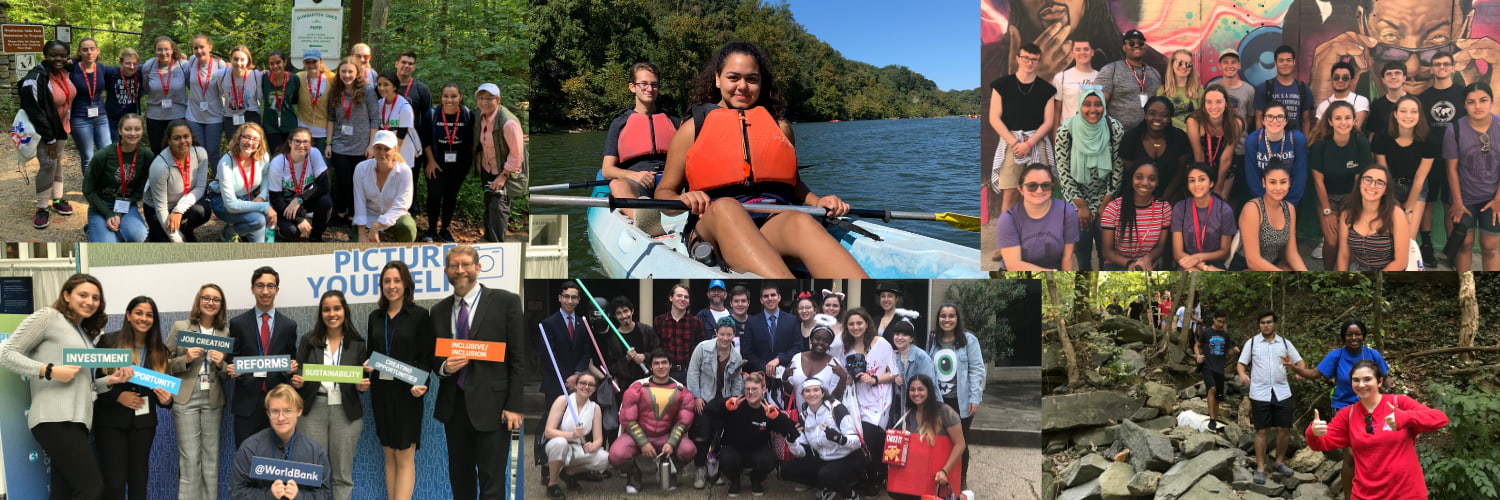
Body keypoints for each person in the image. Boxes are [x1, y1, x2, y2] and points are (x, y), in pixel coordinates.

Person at [655, 42, 864, 278]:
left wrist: (818, 201)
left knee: (801, 220)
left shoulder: (780, 127)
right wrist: (684, 197)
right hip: (713, 227)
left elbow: (793, 184)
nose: (742, 86)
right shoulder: (692, 130)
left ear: (761, 82)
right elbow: (664, 195)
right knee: (726, 206)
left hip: (770, 223)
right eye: (733, 77)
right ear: (717, 79)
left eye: (752, 79)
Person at [0, 274, 132, 499]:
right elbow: (6, 352)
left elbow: (82, 384)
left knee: (63, 491)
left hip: (78, 422)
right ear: (66, 295)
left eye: (95, 297)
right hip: (55, 419)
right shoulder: (49, 317)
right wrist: (49, 370)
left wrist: (110, 381)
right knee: (91, 488)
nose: (90, 301)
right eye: (83, 295)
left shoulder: (83, 333)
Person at [432, 245, 524, 500]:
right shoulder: (438, 311)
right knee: (460, 480)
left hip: (493, 407)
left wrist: (515, 405)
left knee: (492, 482)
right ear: (446, 271)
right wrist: (443, 367)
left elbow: (518, 357)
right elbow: (434, 355)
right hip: (454, 408)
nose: (460, 270)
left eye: (466, 264)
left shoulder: (506, 302)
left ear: (478, 268)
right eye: (454, 266)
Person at [1306, 359, 1449, 500]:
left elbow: (1440, 419)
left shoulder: (1399, 403)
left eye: (1367, 379)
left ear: (1379, 381)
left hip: (1407, 493)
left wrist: (1406, 418)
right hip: (1365, 494)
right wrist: (1313, 432)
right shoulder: (1347, 415)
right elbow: (1319, 444)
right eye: (1356, 380)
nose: (1361, 385)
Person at [93, 296, 176, 500]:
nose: (144, 318)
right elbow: (95, 383)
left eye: (149, 315)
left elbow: (164, 395)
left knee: (139, 481)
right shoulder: (108, 341)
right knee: (114, 484)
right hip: (111, 422)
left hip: (144, 424)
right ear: (128, 316)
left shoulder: (160, 351)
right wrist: (118, 396)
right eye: (139, 313)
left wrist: (167, 401)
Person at [289, 290, 369, 500]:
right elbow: (298, 372)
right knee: (312, 472)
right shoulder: (309, 340)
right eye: (326, 309)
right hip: (313, 409)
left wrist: (362, 386)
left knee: (342, 474)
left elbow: (360, 378)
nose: (332, 314)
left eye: (336, 308)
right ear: (321, 313)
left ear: (345, 311)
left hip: (346, 412)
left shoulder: (358, 343)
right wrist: (297, 380)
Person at [367, 260, 432, 500]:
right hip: (381, 391)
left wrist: (422, 383)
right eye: (387, 281)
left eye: (396, 280)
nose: (391, 286)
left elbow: (427, 358)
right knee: (389, 453)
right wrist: (366, 367)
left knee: (405, 455)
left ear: (406, 284)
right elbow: (370, 355)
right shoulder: (375, 316)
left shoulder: (420, 315)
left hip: (408, 393)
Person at [1307, 320, 1392, 496]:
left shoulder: (1372, 354)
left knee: (1374, 454)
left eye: (1358, 334)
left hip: (1371, 408)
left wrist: (1389, 390)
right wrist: (1296, 369)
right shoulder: (1336, 356)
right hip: (1344, 408)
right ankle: (1349, 495)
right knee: (1351, 457)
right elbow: (1315, 373)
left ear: (1363, 335)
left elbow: (1385, 378)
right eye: (1349, 334)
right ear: (1343, 337)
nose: (1354, 337)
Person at [166, 284, 231, 500]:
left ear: (221, 305)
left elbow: (227, 373)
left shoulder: (224, 331)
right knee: (190, 459)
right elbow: (163, 364)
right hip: (185, 397)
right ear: (199, 300)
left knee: (211, 460)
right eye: (206, 298)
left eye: (216, 300)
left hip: (212, 398)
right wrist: (185, 359)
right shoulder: (181, 327)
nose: (211, 303)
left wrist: (222, 363)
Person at [1235, 311, 1315, 485]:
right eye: (1262, 322)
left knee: (1284, 428)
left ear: (1274, 324)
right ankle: (1261, 468)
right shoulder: (1253, 342)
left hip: (1282, 391)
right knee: (1261, 430)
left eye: (1269, 322)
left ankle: (1279, 462)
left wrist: (1298, 371)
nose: (1266, 325)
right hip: (1259, 392)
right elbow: (1241, 363)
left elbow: (1300, 362)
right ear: (1259, 325)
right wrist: (1242, 374)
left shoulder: (1284, 343)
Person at [227, 266, 300, 446]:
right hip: (247, 403)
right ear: (252, 289)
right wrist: (232, 367)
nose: (265, 291)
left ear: (277, 290)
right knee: (246, 456)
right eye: (260, 286)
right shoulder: (238, 323)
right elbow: (231, 358)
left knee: (277, 457)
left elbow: (292, 358)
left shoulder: (289, 325)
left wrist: (292, 368)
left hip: (278, 404)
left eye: (270, 286)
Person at [609, 349, 696, 494]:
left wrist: (672, 442)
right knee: (616, 455)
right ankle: (634, 475)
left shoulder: (682, 391)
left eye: (664, 363)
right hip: (637, 436)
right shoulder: (637, 388)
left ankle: (668, 471)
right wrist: (642, 442)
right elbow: (628, 419)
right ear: (650, 367)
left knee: (689, 450)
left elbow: (684, 421)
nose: (660, 366)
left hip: (665, 437)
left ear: (670, 365)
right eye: (656, 363)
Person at [1056, 89, 1125, 270]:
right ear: (1079, 106)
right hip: (1076, 200)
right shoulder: (1066, 130)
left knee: (1107, 255)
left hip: (1107, 198)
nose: (1093, 109)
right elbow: (1063, 172)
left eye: (1098, 104)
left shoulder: (1114, 128)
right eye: (1087, 104)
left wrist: (1105, 204)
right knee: (1083, 254)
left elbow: (1117, 169)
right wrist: (1080, 205)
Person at [603, 62, 680, 220]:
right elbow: (607, 170)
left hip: (670, 183)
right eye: (644, 84)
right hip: (637, 184)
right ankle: (643, 220)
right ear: (632, 87)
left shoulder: (673, 121)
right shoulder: (619, 123)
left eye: (654, 84)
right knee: (617, 185)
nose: (650, 89)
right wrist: (634, 175)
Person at [228, 384, 334, 500]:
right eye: (275, 411)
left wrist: (299, 497)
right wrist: (268, 496)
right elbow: (235, 493)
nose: (281, 418)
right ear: (268, 413)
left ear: (298, 411)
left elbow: (325, 495)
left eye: (287, 411)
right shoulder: (250, 448)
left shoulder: (316, 452)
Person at [705, 371, 798, 496]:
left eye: (754, 389)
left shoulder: (768, 409)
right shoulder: (735, 403)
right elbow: (708, 410)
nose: (750, 392)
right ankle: (734, 480)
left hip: (758, 450)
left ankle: (756, 479)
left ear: (763, 389)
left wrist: (777, 417)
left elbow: (791, 429)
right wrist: (724, 406)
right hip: (733, 448)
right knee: (726, 458)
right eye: (747, 389)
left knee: (769, 459)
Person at [834, 307, 896, 493]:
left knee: (870, 438)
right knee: (856, 440)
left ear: (867, 323)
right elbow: (842, 373)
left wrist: (874, 379)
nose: (855, 327)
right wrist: (848, 378)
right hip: (855, 400)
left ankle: (876, 479)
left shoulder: (881, 343)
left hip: (878, 401)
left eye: (859, 323)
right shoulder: (845, 348)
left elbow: (893, 372)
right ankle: (863, 476)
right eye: (851, 324)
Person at [991, 42, 1058, 211]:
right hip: (1011, 142)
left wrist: (1029, 144)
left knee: (1040, 191)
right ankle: (1007, 235)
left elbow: (1048, 122)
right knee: (1010, 193)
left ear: (1038, 62)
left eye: (1034, 60)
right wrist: (1015, 143)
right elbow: (994, 118)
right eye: (1026, 58)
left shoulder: (1047, 89)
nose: (1029, 63)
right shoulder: (1001, 85)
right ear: (1018, 59)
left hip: (1037, 141)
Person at [1309, 101, 1375, 267]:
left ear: (1354, 121)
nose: (1343, 122)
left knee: (1347, 239)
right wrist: (1327, 211)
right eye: (1338, 118)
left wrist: (1353, 207)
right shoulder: (1320, 144)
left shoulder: (1361, 143)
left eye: (1347, 118)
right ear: (1330, 121)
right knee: (1331, 241)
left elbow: (1360, 180)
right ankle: (1328, 275)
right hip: (1327, 196)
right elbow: (1318, 181)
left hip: (1351, 195)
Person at [20, 40, 78, 230]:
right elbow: (35, 112)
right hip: (44, 131)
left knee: (57, 161)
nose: (58, 59)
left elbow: (78, 61)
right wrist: (50, 138)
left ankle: (57, 199)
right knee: (47, 164)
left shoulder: (64, 70)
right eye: (53, 55)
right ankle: (42, 207)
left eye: (62, 55)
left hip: (62, 127)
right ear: (45, 55)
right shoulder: (35, 78)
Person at [926, 304, 984, 490]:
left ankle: (961, 478)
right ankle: (941, 475)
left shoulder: (969, 340)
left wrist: (975, 397)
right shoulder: (933, 339)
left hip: (961, 400)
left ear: (957, 319)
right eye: (943, 316)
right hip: (938, 401)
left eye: (951, 316)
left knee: (960, 442)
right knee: (939, 440)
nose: (947, 320)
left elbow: (977, 369)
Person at [1443, 83, 1500, 271]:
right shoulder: (1454, 130)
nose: (1478, 106)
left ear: (1491, 101)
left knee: (1490, 248)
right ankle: (1464, 292)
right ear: (1464, 105)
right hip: (1464, 199)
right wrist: (1457, 203)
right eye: (1471, 102)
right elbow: (1451, 169)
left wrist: (1498, 199)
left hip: (1493, 198)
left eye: (1483, 100)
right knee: (1464, 245)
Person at [887, 375, 968, 500]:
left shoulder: (945, 412)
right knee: (896, 491)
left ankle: (963, 497)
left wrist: (945, 471)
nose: (916, 393)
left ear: (929, 391)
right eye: (912, 389)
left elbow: (960, 444)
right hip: (919, 471)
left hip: (940, 471)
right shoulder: (910, 413)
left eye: (921, 389)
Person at [687, 318, 746, 489]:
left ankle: (716, 470)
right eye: (722, 334)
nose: (725, 338)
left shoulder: (736, 356)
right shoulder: (702, 348)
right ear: (716, 333)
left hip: (723, 401)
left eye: (729, 334)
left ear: (734, 335)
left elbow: (737, 381)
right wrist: (696, 396)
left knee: (718, 436)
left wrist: (735, 400)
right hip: (704, 399)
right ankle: (699, 469)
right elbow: (692, 372)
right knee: (702, 435)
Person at [783, 379, 864, 500]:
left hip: (849, 458)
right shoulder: (804, 416)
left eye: (816, 390)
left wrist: (839, 438)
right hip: (825, 460)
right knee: (787, 470)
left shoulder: (836, 409)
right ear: (802, 394)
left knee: (825, 474)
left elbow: (857, 442)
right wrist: (792, 440)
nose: (812, 394)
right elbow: (802, 452)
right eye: (807, 391)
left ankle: (850, 495)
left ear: (822, 393)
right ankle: (830, 487)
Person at [325, 56, 379, 229]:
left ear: (357, 73)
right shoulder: (335, 90)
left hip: (362, 146)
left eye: (350, 71)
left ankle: (354, 215)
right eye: (343, 71)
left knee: (359, 183)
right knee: (343, 182)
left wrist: (372, 145)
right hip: (340, 144)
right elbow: (331, 118)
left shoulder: (368, 90)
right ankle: (340, 213)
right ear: (338, 72)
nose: (347, 75)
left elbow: (375, 118)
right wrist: (328, 143)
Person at [84, 113, 154, 242]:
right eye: (128, 129)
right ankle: (92, 229)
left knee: (139, 238)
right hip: (102, 205)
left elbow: (139, 190)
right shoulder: (103, 155)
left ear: (142, 131)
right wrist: (108, 214)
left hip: (126, 205)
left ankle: (115, 228)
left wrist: (118, 213)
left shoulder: (146, 156)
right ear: (120, 131)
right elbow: (88, 189)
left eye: (137, 129)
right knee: (109, 244)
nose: (133, 133)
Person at [419, 82, 476, 241]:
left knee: (451, 196)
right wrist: (430, 161)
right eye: (446, 96)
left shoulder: (467, 115)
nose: (449, 99)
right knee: (434, 194)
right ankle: (431, 229)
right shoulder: (432, 114)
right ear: (441, 97)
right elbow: (425, 140)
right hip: (435, 162)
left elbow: (472, 142)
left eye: (453, 96)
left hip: (459, 164)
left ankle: (444, 229)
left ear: (460, 97)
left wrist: (472, 164)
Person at [1374, 95, 1440, 230]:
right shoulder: (1381, 137)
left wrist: (1408, 209)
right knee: (1389, 232)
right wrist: (1393, 201)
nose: (1408, 116)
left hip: (1416, 188)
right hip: (1389, 186)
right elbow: (1383, 173)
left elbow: (1420, 178)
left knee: (1409, 237)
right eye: (1403, 111)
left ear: (1420, 115)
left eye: (1414, 111)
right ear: (1395, 114)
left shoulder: (1429, 140)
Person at [997, 163, 1079, 270]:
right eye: (1032, 186)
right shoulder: (1008, 219)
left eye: (1046, 185)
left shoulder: (1067, 211)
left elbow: (1067, 256)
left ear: (1052, 187)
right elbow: (1013, 265)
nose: (1039, 190)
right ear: (1020, 189)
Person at [473, 82, 527, 242]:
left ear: (498, 100)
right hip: (487, 167)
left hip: (504, 171)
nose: (484, 102)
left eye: (489, 98)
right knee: (489, 203)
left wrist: (503, 176)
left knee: (498, 207)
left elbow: (517, 154)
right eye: (481, 98)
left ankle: (497, 245)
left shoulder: (508, 123)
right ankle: (488, 238)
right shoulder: (480, 114)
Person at [143, 120, 213, 241]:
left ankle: (187, 229)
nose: (182, 141)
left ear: (191, 137)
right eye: (177, 138)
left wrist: (179, 210)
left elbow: (200, 187)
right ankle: (158, 232)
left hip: (181, 204)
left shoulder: (200, 154)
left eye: (186, 136)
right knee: (167, 243)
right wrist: (178, 241)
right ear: (169, 141)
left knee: (202, 211)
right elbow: (161, 208)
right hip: (159, 209)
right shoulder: (160, 166)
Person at [544, 371, 609, 499]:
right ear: (576, 385)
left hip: (578, 447)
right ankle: (553, 484)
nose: (586, 387)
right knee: (560, 443)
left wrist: (594, 445)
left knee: (604, 458)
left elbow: (598, 439)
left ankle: (567, 473)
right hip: (557, 445)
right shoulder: (563, 400)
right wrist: (572, 434)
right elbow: (548, 432)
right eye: (583, 383)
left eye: (591, 385)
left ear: (595, 389)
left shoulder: (595, 408)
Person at [1099, 160, 1172, 270]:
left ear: (1157, 182)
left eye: (1151, 179)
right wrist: (1130, 264)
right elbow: (1107, 251)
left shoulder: (1164, 208)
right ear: (1132, 178)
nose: (1145, 183)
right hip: (1117, 265)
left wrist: (1148, 258)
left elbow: (1161, 246)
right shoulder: (1113, 208)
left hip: (1148, 265)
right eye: (1139, 177)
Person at [213, 122, 278, 242]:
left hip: (248, 198)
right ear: (238, 138)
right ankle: (229, 232)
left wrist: (262, 196)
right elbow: (231, 205)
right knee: (259, 220)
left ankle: (264, 239)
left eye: (255, 139)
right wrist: (264, 206)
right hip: (224, 202)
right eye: (246, 137)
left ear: (259, 144)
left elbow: (265, 176)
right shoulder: (226, 162)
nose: (250, 142)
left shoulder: (263, 156)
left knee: (262, 243)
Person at [1338, 165, 1411, 270]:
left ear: (1386, 190)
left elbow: (1401, 262)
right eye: (1368, 180)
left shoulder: (1396, 214)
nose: (1372, 185)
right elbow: (1343, 255)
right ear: (1359, 183)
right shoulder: (1348, 213)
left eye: (1380, 182)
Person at [1240, 161, 1309, 270]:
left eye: (1283, 182)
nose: (1278, 188)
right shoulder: (1253, 209)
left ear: (1289, 183)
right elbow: (1252, 261)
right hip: (1245, 266)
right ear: (1264, 183)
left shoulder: (1289, 208)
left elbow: (1292, 254)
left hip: (1272, 264)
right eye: (1272, 182)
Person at [1121, 97, 1191, 202]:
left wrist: (1165, 198)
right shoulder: (1131, 137)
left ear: (1169, 118)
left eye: (1164, 115)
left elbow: (1180, 172)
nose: (1157, 118)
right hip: (1138, 194)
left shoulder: (1179, 137)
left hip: (1171, 195)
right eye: (1152, 113)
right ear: (1145, 115)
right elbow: (1129, 173)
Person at [269, 127, 333, 241]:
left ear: (310, 143)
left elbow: (324, 186)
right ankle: (279, 227)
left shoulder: (314, 153)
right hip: (284, 203)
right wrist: (299, 219)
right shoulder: (278, 162)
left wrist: (300, 199)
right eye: (297, 141)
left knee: (325, 201)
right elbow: (275, 199)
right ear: (290, 143)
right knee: (292, 232)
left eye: (305, 142)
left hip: (303, 199)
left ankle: (316, 237)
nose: (301, 145)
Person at [353, 130, 417, 242]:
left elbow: (402, 205)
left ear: (395, 150)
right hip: (369, 217)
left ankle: (405, 255)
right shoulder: (361, 169)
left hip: (396, 217)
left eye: (387, 149)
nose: (382, 153)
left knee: (407, 227)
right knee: (357, 246)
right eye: (378, 148)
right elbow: (360, 202)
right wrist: (361, 232)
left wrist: (377, 225)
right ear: (373, 148)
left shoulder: (404, 171)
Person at [1172, 163, 1238, 270]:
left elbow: (1224, 251)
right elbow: (1177, 253)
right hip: (1186, 261)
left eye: (1202, 179)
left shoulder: (1224, 210)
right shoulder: (1180, 208)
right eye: (1192, 180)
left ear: (1211, 183)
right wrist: (1203, 267)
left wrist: (1199, 258)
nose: (1197, 184)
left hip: (1215, 263)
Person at [1245, 101, 1311, 206]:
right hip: (1263, 199)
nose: (1274, 121)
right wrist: (1265, 203)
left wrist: (1289, 204)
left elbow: (1300, 175)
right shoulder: (1253, 140)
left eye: (1280, 117)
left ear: (1286, 121)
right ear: (1263, 120)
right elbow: (1252, 176)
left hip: (1291, 198)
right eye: (1269, 116)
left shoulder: (1297, 139)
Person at [1097, 30, 1164, 130]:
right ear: (1124, 47)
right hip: (1119, 135)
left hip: (1148, 135)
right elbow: (1098, 104)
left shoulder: (1155, 73)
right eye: (1131, 43)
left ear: (1145, 47)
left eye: (1140, 43)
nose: (1136, 45)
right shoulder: (1110, 70)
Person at [538, 282, 592, 405]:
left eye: (573, 297)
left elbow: (586, 353)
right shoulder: (548, 323)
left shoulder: (583, 324)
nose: (570, 301)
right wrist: (568, 378)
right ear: (560, 298)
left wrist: (577, 375)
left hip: (579, 383)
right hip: (555, 383)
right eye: (566, 296)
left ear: (578, 300)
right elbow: (548, 354)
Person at [1188, 85, 1245, 199]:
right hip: (1201, 165)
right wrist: (1205, 187)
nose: (1214, 107)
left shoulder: (1235, 123)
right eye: (1209, 102)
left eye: (1219, 102)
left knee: (1220, 202)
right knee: (1203, 200)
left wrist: (1218, 189)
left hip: (1225, 168)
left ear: (1226, 104)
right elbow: (1199, 157)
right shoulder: (1193, 121)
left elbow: (1226, 158)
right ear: (1204, 104)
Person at [887, 311, 938, 430]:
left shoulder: (922, 357)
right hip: (905, 408)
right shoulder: (895, 356)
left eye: (905, 335)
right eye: (897, 334)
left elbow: (929, 385)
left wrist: (903, 381)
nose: (899, 337)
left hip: (923, 408)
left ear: (912, 338)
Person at [69, 37, 112, 171]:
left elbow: (125, 70)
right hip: (80, 118)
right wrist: (73, 60)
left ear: (97, 51)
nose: (89, 52)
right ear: (79, 52)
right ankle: (90, 189)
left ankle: (104, 187)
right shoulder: (72, 69)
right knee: (88, 157)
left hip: (101, 116)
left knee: (107, 152)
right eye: (85, 50)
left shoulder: (101, 68)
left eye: (92, 49)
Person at [1254, 45, 1315, 137]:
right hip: (1270, 141)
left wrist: (1304, 144)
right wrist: (1261, 141)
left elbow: (1306, 121)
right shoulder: (1264, 88)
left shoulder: (1303, 89)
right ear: (1275, 63)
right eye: (1281, 61)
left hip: (1295, 142)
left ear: (1294, 62)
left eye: (1288, 60)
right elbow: (1259, 119)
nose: (1285, 64)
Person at [785, 323, 850, 410]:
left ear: (830, 344)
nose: (821, 343)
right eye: (817, 338)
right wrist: (785, 379)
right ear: (811, 339)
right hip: (799, 417)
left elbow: (835, 398)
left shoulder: (834, 363)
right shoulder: (797, 358)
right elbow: (791, 391)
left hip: (824, 419)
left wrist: (843, 378)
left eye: (826, 341)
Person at [184, 35, 228, 162]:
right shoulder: (192, 61)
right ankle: (198, 181)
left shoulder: (219, 65)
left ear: (210, 47)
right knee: (197, 152)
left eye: (202, 47)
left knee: (213, 151)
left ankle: (216, 179)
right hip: (193, 115)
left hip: (214, 116)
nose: (199, 51)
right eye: (195, 48)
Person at [142, 36, 189, 153]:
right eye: (159, 49)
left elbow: (192, 85)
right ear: (154, 51)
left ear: (172, 49)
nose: (163, 53)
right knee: (157, 150)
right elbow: (146, 88)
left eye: (166, 49)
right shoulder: (148, 66)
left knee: (179, 150)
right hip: (155, 116)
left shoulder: (183, 65)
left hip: (178, 115)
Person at [742, 284, 800, 378]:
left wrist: (779, 359)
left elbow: (797, 347)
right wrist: (765, 367)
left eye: (773, 295)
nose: (770, 298)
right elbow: (747, 352)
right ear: (761, 300)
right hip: (760, 376)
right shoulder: (752, 322)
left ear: (779, 297)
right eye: (766, 296)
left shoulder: (792, 320)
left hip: (786, 375)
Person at [1193, 309, 1237, 423]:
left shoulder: (1225, 335)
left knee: (1218, 396)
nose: (1221, 324)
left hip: (1220, 368)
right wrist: (1198, 356)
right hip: (1207, 365)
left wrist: (1234, 351)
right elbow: (1196, 345)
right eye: (1219, 321)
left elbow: (1228, 352)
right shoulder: (1207, 332)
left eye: (1223, 322)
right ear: (1214, 319)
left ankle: (1215, 419)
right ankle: (1212, 419)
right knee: (1211, 389)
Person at [655, 284, 704, 383]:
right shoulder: (659, 321)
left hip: (689, 373)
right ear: (671, 298)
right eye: (679, 296)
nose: (683, 299)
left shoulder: (696, 322)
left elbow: (701, 350)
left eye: (686, 297)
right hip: (665, 373)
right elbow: (655, 349)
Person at [393, 51, 433, 171]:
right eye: (403, 62)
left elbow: (427, 119)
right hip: (388, 138)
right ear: (396, 63)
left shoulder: (422, 89)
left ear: (414, 67)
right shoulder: (386, 86)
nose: (406, 66)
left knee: (410, 179)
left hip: (411, 140)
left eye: (410, 64)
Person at [606, 295, 659, 386]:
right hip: (626, 385)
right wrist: (626, 359)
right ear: (615, 316)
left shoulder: (646, 330)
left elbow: (659, 352)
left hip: (649, 381)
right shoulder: (613, 339)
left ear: (632, 311)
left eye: (626, 311)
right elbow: (612, 368)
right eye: (619, 313)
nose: (623, 316)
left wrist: (645, 356)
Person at [374, 71, 422, 169]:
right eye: (379, 84)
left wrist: (393, 152)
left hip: (401, 153)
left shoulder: (404, 106)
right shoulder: (379, 103)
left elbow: (402, 133)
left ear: (394, 87)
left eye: (386, 84)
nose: (381, 88)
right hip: (385, 153)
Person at [217, 45, 263, 145]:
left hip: (250, 113)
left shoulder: (255, 75)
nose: (239, 63)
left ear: (248, 61)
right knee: (234, 147)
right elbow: (221, 93)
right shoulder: (221, 74)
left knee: (252, 146)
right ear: (230, 59)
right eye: (235, 59)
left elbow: (260, 97)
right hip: (231, 115)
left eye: (242, 60)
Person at [261, 50, 301, 156]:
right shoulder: (264, 79)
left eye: (278, 62)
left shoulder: (294, 79)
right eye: (271, 63)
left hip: (289, 123)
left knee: (290, 155)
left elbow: (295, 99)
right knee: (277, 156)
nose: (275, 66)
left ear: (284, 62)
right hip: (271, 125)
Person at [1051, 39, 1099, 126]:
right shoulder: (1061, 77)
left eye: (1086, 49)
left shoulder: (1102, 78)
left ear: (1092, 52)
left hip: (1094, 132)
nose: (1082, 52)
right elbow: (1057, 112)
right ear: (1072, 53)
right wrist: (1056, 137)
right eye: (1078, 50)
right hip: (1069, 133)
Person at [1313, 62, 1370, 131]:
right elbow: (1319, 132)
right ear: (1331, 80)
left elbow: (1355, 128)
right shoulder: (1323, 106)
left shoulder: (1360, 101)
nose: (1340, 80)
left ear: (1351, 81)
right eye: (1336, 77)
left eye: (1345, 78)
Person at [103, 48, 144, 144]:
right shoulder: (111, 72)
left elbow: (158, 62)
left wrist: (178, 57)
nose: (132, 66)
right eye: (128, 63)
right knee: (115, 148)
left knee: (131, 149)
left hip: (132, 120)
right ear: (121, 62)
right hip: (113, 120)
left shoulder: (140, 72)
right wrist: (75, 60)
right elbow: (92, 65)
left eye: (135, 63)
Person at [297, 50, 334, 151]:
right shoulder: (299, 77)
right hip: (303, 130)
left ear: (321, 61)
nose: (311, 65)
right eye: (307, 62)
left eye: (314, 61)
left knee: (322, 164)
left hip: (323, 131)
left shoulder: (331, 78)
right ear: (304, 64)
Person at [1157, 49, 1202, 131]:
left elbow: (1204, 116)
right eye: (1180, 63)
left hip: (1193, 136)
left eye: (1188, 64)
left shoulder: (1198, 89)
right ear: (1172, 64)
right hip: (1171, 136)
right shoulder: (1162, 91)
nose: (1184, 66)